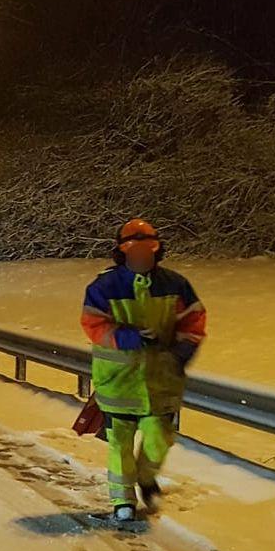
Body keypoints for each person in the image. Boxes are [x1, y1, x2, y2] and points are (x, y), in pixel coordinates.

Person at [80, 219, 207, 524]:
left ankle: (146, 477)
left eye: (146, 246)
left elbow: (194, 322)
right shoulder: (104, 287)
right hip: (119, 381)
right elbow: (94, 325)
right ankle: (122, 500)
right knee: (119, 444)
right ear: (121, 251)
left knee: (159, 438)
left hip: (161, 380)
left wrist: (181, 353)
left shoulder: (175, 284)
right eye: (131, 247)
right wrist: (131, 338)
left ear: (157, 248)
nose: (140, 253)